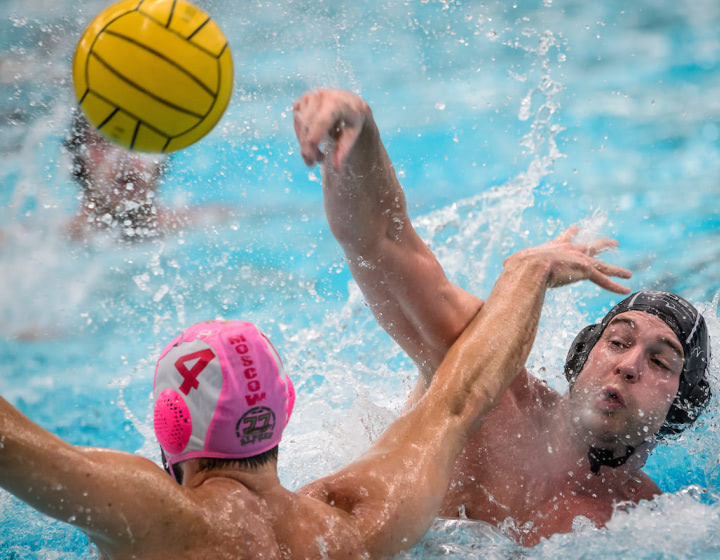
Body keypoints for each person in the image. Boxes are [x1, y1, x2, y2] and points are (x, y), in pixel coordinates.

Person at [0, 226, 631, 558]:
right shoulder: (358, 524)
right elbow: (460, 397)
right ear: (284, 412)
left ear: (170, 425)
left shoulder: (157, 520)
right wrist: (530, 270)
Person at [292, 88, 713, 546]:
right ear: (581, 356)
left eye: (660, 362)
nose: (628, 365)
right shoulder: (491, 386)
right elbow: (382, 243)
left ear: (683, 403)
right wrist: (357, 129)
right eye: (617, 341)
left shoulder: (648, 518)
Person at [63, 111, 226, 242]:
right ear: (78, 158)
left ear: (162, 156)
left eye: (141, 139)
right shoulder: (51, 244)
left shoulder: (207, 223)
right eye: (104, 141)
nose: (125, 157)